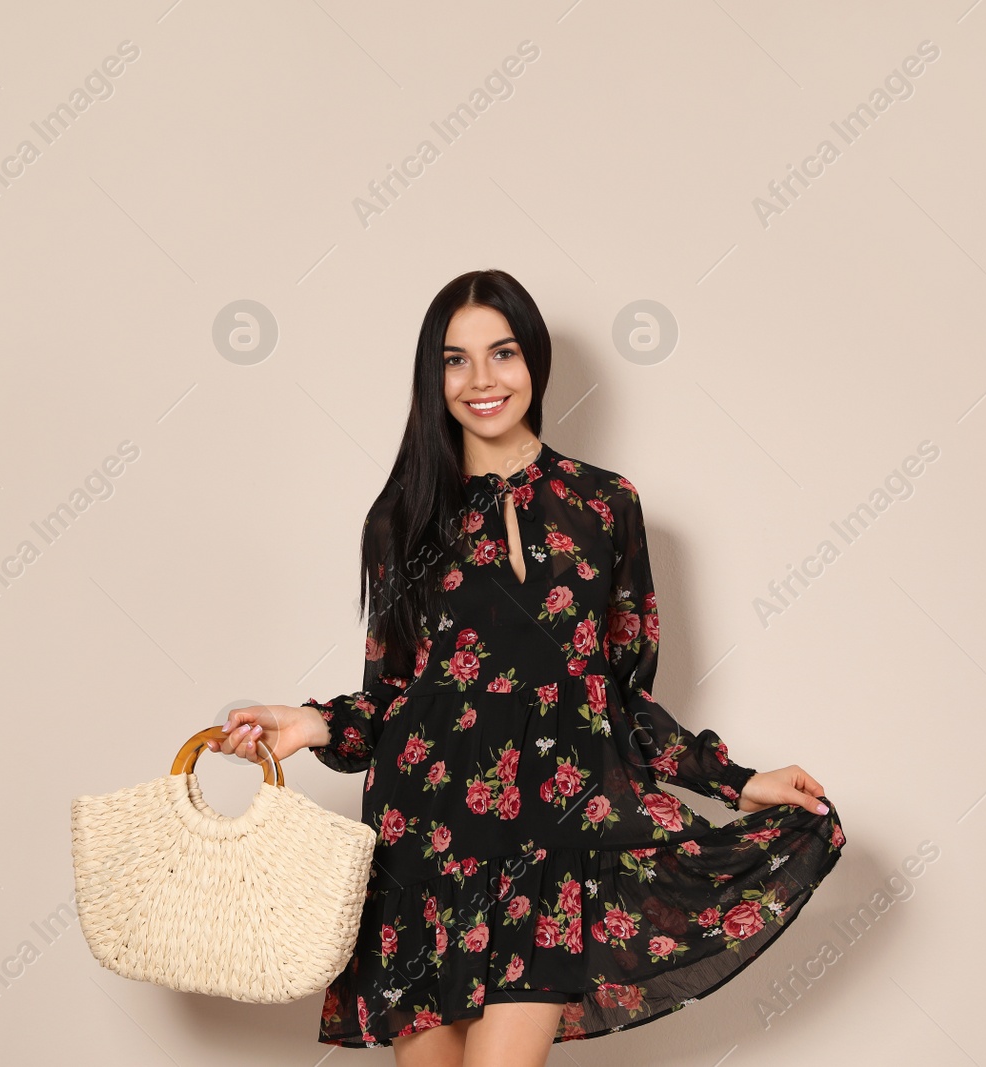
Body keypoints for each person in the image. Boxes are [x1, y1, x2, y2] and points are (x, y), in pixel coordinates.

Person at [210, 269, 846, 1065]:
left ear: (534, 360)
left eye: (502, 352)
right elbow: (395, 696)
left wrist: (738, 780)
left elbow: (617, 699)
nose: (482, 380)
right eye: (456, 359)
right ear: (431, 376)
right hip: (422, 848)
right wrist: (311, 723)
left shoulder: (607, 506)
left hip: (549, 845)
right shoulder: (400, 519)